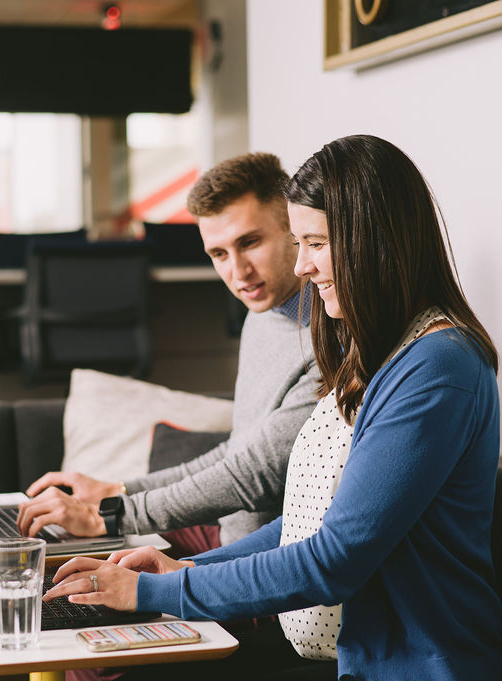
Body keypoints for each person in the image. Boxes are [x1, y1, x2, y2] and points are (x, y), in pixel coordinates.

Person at [44, 135, 502, 681]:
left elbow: (332, 558)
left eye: (315, 243)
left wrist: (160, 588)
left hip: (426, 667)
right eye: (300, 242)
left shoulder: (437, 368)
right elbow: (310, 523)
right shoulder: (389, 353)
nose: (305, 267)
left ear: (371, 241)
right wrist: (185, 568)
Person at [17, 152, 320, 560]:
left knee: (78, 570)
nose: (238, 272)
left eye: (250, 242)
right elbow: (239, 450)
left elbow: (254, 476)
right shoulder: (263, 313)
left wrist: (110, 517)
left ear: (293, 230)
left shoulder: (329, 341)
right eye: (219, 254)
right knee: (45, 559)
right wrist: (117, 492)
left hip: (255, 564)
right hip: (220, 533)